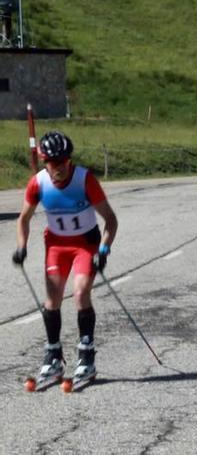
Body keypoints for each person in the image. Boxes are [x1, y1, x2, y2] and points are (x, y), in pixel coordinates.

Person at [12, 131, 118, 387]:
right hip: (57, 246)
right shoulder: (38, 183)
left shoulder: (85, 180)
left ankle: (86, 355)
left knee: (80, 293)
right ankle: (53, 355)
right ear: (44, 162)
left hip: (85, 244)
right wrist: (22, 246)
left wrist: (103, 251)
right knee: (53, 298)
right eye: (53, 162)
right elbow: (23, 219)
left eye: (64, 161)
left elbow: (111, 220)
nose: (59, 167)